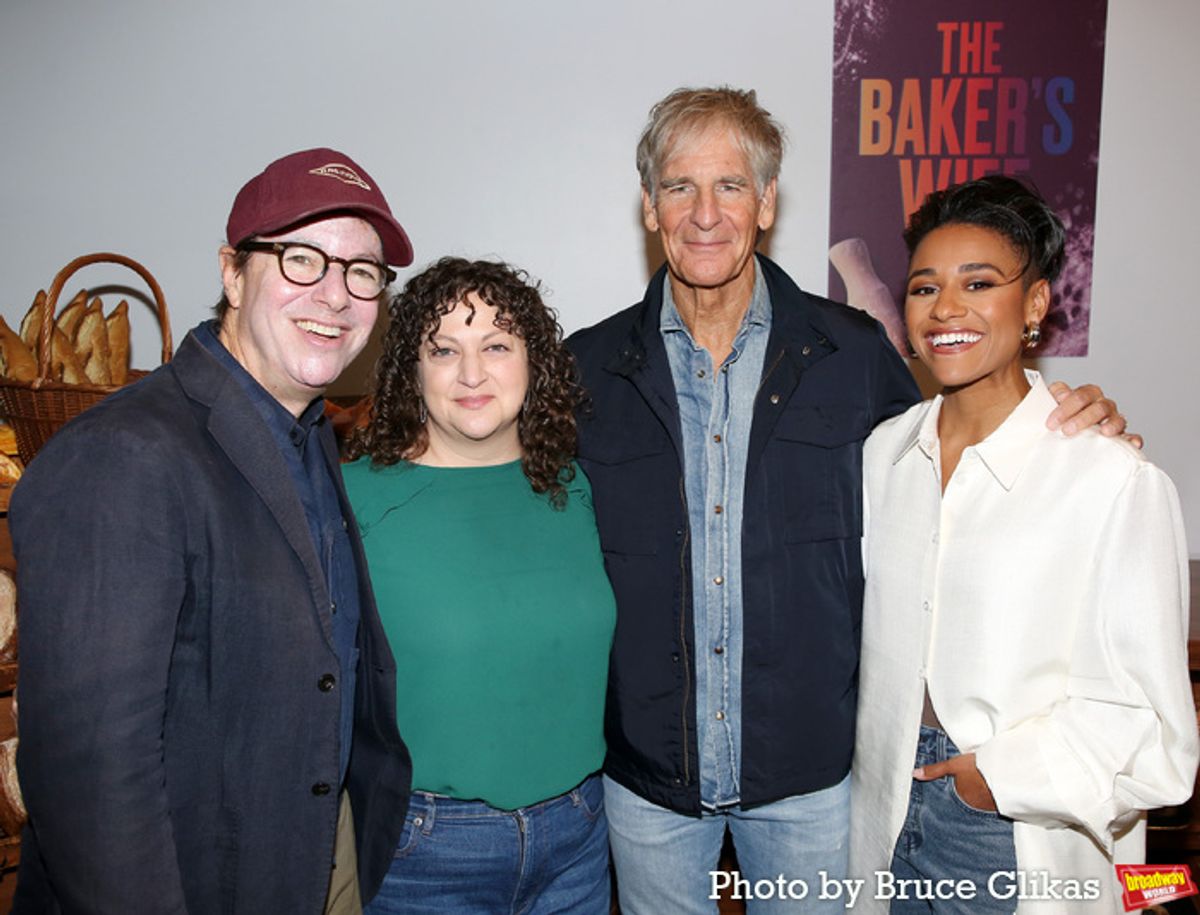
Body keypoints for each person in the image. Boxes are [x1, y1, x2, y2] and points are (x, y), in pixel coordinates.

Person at [566, 86, 1131, 914]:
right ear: (649, 207)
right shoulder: (586, 369)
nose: (704, 212)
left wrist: (1064, 415)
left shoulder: (855, 353)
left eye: (729, 186)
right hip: (648, 780)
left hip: (809, 780)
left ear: (765, 203)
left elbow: (957, 471)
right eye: (679, 187)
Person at [10, 148, 414, 913]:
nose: (334, 295)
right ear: (233, 272)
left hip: (300, 859)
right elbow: (91, 775)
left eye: (362, 271)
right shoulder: (120, 456)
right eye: (302, 259)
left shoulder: (309, 433)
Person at [850, 175, 1198, 913]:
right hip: (877, 813)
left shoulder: (1110, 479)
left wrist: (994, 777)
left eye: (979, 282)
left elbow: (1155, 728)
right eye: (923, 288)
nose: (945, 308)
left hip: (1012, 823)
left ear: (1035, 304)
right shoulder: (883, 456)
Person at [343, 257, 616, 914]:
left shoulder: (573, 488)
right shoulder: (353, 498)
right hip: (426, 853)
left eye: (496, 345)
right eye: (444, 349)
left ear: (534, 362)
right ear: (412, 368)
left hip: (578, 841)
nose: (472, 373)